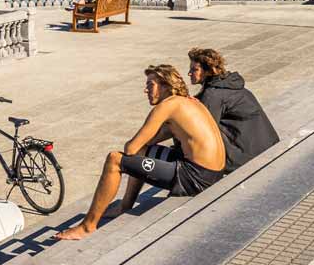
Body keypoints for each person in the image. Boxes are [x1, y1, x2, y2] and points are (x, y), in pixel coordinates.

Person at [54, 65, 225, 240]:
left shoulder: (166, 106)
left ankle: (87, 226)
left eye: (150, 85)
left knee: (114, 159)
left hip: (194, 177)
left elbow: (131, 148)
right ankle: (125, 206)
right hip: (213, 173)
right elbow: (153, 141)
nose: (146, 90)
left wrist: (138, 144)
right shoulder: (189, 102)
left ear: (165, 85)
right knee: (143, 151)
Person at [187, 48, 280, 173]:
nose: (189, 73)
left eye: (194, 70)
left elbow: (203, 132)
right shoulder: (229, 83)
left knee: (201, 130)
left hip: (249, 158)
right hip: (269, 146)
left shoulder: (213, 95)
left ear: (208, 71)